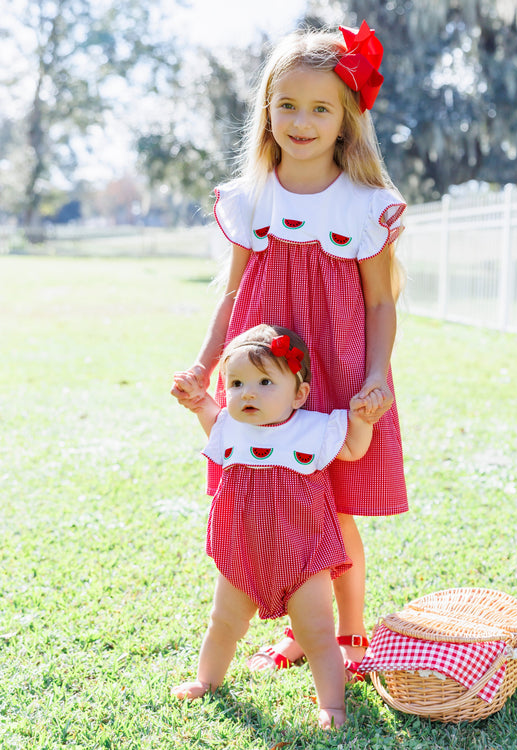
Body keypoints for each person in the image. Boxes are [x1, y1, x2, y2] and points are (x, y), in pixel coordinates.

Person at [172, 19, 408, 683]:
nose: (301, 121)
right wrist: (203, 363)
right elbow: (233, 292)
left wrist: (373, 376)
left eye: (319, 108)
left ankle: (350, 634)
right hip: (263, 369)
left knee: (331, 506)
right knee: (275, 497)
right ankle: (308, 633)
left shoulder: (365, 205)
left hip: (333, 366)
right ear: (267, 110)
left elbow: (382, 302)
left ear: (346, 120)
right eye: (287, 106)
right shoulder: (253, 198)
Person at [171, 324, 378, 729]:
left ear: (299, 394)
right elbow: (205, 410)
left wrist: (362, 420)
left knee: (317, 633)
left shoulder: (314, 428)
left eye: (266, 381)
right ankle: (206, 679)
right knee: (223, 623)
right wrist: (196, 398)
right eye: (236, 383)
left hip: (304, 555)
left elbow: (353, 448)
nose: (248, 392)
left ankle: (332, 705)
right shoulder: (228, 425)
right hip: (243, 555)